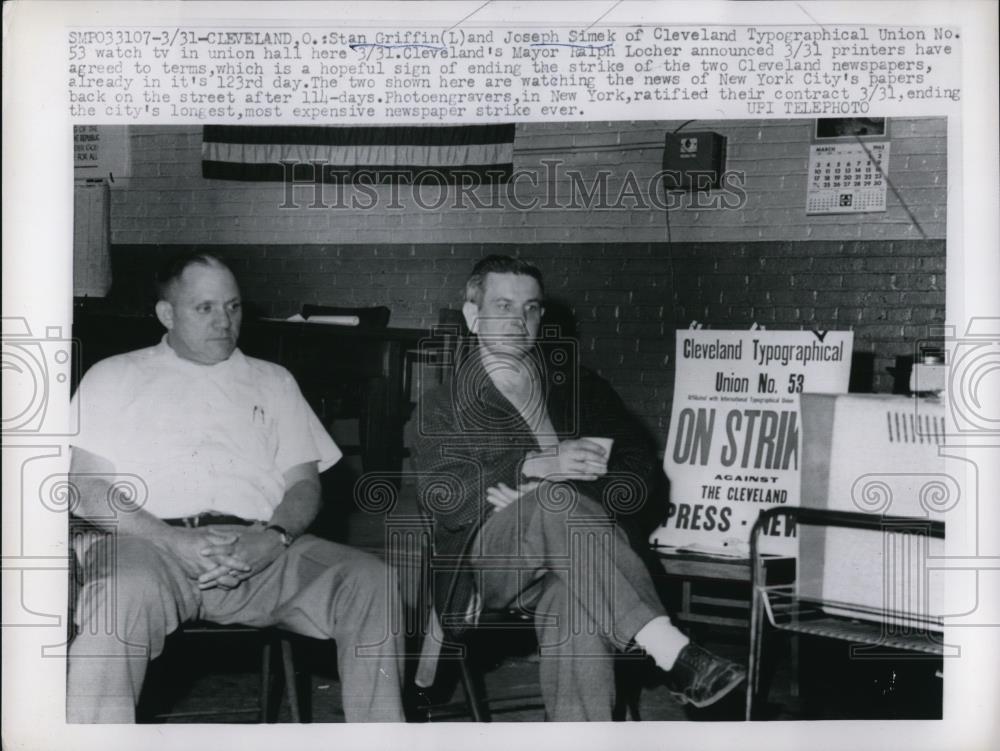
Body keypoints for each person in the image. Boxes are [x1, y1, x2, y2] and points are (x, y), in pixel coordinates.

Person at [66, 253, 404, 723]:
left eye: (233, 306)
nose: (224, 321)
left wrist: (272, 537)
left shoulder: (274, 380)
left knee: (372, 583)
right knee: (119, 600)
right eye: (204, 308)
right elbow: (84, 486)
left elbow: (304, 485)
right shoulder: (115, 375)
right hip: (147, 546)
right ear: (167, 314)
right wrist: (172, 541)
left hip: (260, 549)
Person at [413, 255, 745, 721]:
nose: (518, 320)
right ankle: (671, 650)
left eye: (530, 308)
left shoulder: (579, 388)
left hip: (579, 563)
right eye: (503, 305)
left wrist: (556, 495)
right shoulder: (444, 406)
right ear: (473, 315)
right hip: (486, 567)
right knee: (552, 498)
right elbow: (447, 499)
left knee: (576, 608)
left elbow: (640, 473)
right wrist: (537, 467)